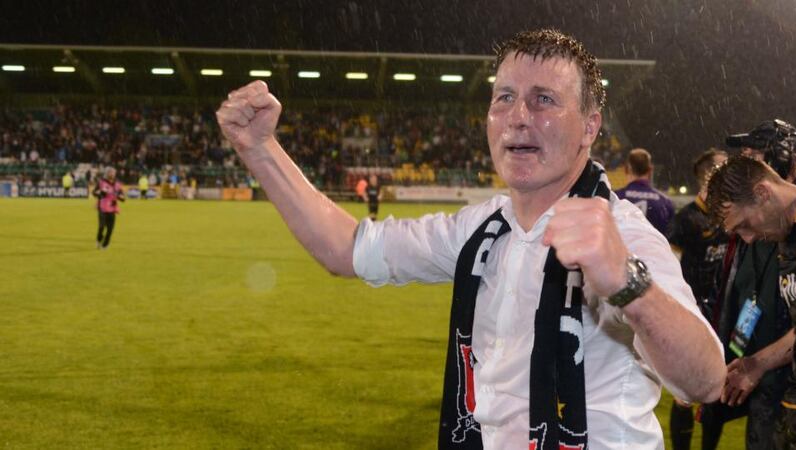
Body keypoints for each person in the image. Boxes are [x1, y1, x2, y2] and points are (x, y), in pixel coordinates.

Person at [216, 28, 725, 450]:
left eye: (544, 99)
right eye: (504, 97)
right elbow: (346, 249)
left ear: (590, 127)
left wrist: (629, 285)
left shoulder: (621, 233)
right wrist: (259, 149)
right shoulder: (479, 230)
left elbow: (705, 381)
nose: (518, 116)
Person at [706, 154, 796, 449]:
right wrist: (756, 364)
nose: (747, 239)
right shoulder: (786, 235)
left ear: (763, 192)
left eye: (745, 224)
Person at [667, 148, 730, 450]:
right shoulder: (686, 219)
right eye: (723, 168)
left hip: (722, 312)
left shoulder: (730, 216)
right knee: (684, 395)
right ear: (708, 177)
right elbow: (669, 268)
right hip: (691, 314)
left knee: (717, 391)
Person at [615, 148, 675, 236]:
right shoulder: (665, 202)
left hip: (621, 244)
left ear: (626, 169)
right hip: (654, 244)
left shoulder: (615, 198)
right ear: (650, 170)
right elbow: (670, 238)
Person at [93, 166, 124, 249]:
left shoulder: (117, 184)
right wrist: (101, 193)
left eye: (113, 173)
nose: (112, 174)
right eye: (111, 172)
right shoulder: (101, 182)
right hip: (102, 207)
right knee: (101, 226)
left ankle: (106, 243)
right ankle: (99, 239)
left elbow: (122, 196)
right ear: (107, 173)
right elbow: (94, 193)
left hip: (112, 208)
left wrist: (120, 197)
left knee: (110, 228)